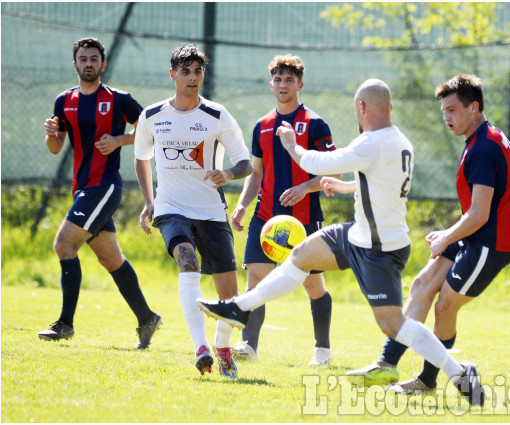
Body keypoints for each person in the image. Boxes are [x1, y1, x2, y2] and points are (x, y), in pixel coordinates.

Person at [198, 78, 485, 406]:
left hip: (378, 248)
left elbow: (315, 164)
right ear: (389, 108)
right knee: (301, 255)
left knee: (393, 325)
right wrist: (347, 186)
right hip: (358, 233)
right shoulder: (399, 140)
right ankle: (240, 307)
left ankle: (459, 372)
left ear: (362, 108)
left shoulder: (372, 142)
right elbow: (379, 180)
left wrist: (291, 145)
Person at [349, 74, 510, 395]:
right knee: (422, 284)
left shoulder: (484, 148)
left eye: (453, 110)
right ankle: (386, 365)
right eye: (444, 111)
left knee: (445, 307)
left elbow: (480, 213)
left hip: (491, 242)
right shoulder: (482, 138)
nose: (447, 117)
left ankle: (432, 380)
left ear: (474, 107)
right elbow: (476, 210)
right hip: (475, 234)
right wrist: (449, 234)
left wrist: (447, 237)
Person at [134, 44, 252, 378]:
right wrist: (149, 201)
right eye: (185, 71)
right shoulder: (152, 116)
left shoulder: (216, 115)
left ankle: (223, 347)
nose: (192, 77)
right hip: (171, 208)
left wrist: (228, 173)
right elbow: (141, 157)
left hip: (211, 211)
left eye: (197, 71)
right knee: (188, 261)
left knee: (229, 296)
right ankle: (200, 347)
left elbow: (244, 162)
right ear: (173, 74)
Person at [38, 37, 161, 349]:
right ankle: (147, 317)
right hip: (82, 188)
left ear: (103, 64)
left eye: (94, 58)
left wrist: (120, 140)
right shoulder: (63, 101)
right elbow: (55, 148)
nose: (89, 63)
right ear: (75, 64)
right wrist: (52, 135)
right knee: (110, 258)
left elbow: (152, 130)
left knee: (64, 244)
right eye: (83, 58)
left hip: (104, 187)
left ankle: (65, 324)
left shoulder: (119, 99)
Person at [230, 54, 337, 366]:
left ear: (300, 84)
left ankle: (322, 350)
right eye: (278, 79)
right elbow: (257, 174)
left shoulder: (316, 124)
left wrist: (305, 187)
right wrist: (241, 205)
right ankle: (248, 345)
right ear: (270, 84)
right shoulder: (261, 126)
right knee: (255, 281)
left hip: (304, 222)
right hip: (265, 218)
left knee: (312, 285)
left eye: (289, 79)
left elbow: (333, 173)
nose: (283, 84)